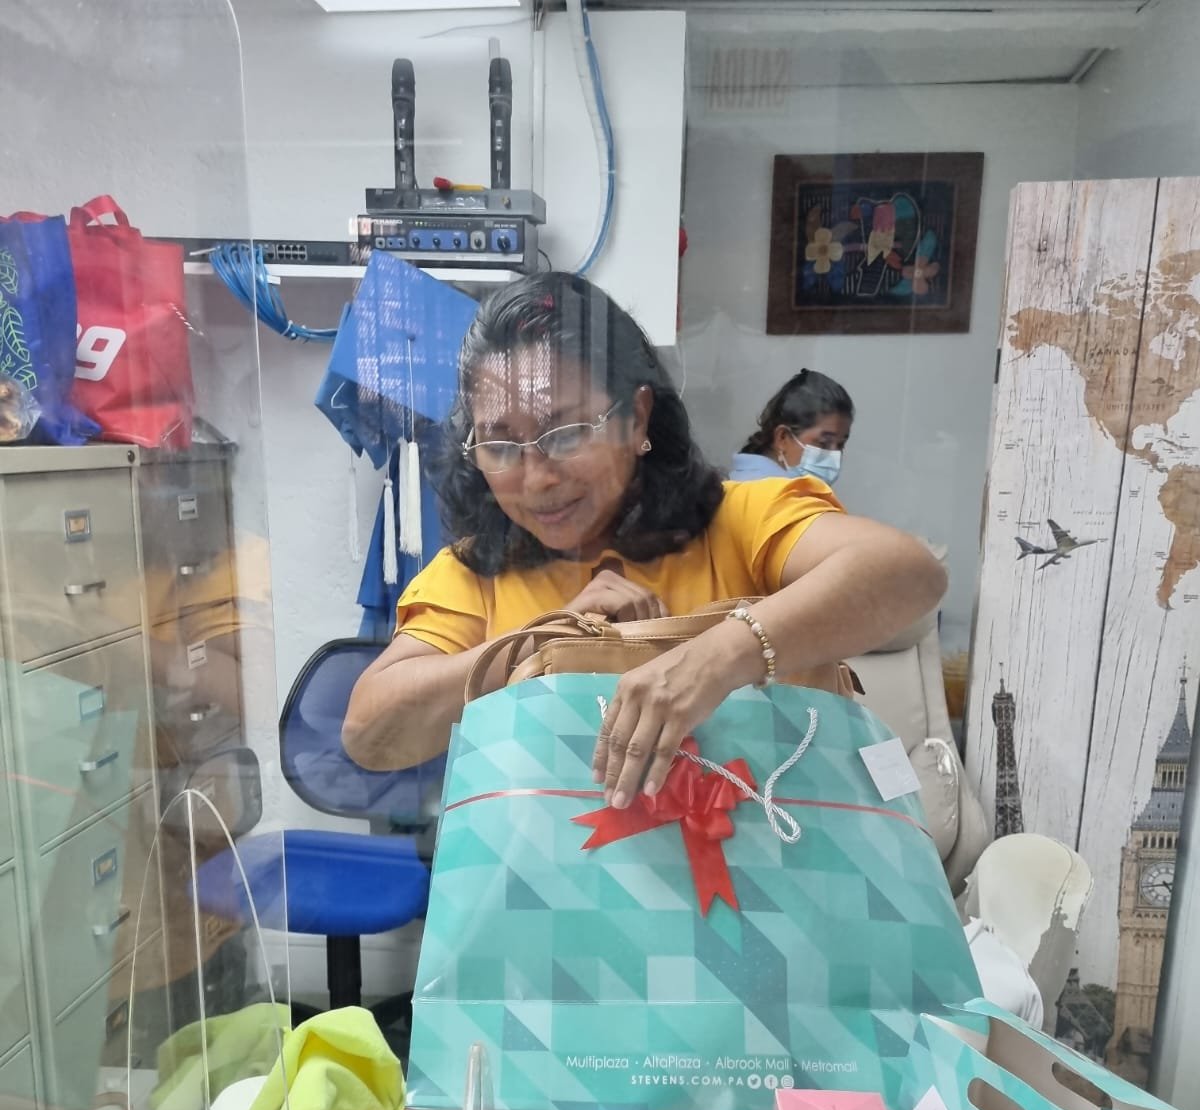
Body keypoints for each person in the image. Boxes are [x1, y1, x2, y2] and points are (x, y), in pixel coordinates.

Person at [344, 273, 943, 811]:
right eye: (500, 445)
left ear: (636, 419)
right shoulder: (477, 571)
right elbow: (369, 734)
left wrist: (714, 660)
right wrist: (543, 642)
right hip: (554, 895)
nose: (537, 478)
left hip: (771, 884)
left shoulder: (741, 521)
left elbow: (909, 573)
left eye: (565, 433)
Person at [729, 369, 854, 485]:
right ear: (782, 438)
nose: (834, 456)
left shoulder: (742, 481)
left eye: (840, 445)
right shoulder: (774, 495)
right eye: (824, 442)